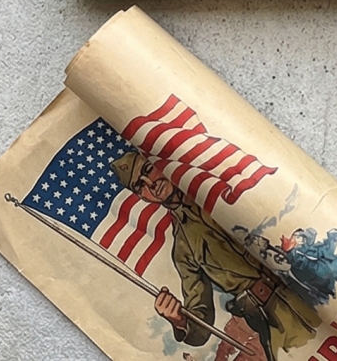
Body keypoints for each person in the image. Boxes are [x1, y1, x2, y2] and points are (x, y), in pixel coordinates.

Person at [109, 150, 319, 359]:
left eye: (148, 170)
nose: (150, 184)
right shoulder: (183, 248)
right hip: (270, 316)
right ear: (140, 196)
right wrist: (180, 321)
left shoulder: (213, 183)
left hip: (308, 278)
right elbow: (201, 317)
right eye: (140, 186)